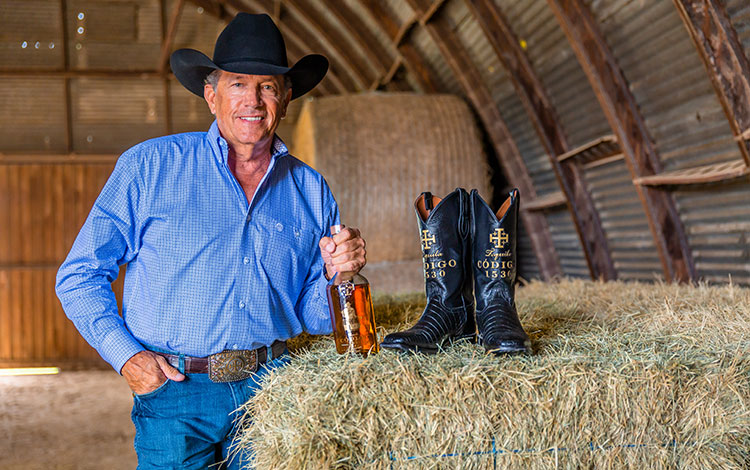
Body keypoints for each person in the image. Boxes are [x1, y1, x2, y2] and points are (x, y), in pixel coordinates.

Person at [55, 13, 366, 469]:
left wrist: (343, 274)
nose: (253, 101)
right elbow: (79, 276)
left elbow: (313, 317)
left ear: (286, 96)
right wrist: (128, 358)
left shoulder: (311, 190)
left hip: (272, 392)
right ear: (210, 95)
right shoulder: (149, 168)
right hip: (175, 391)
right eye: (238, 84)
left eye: (267, 86)